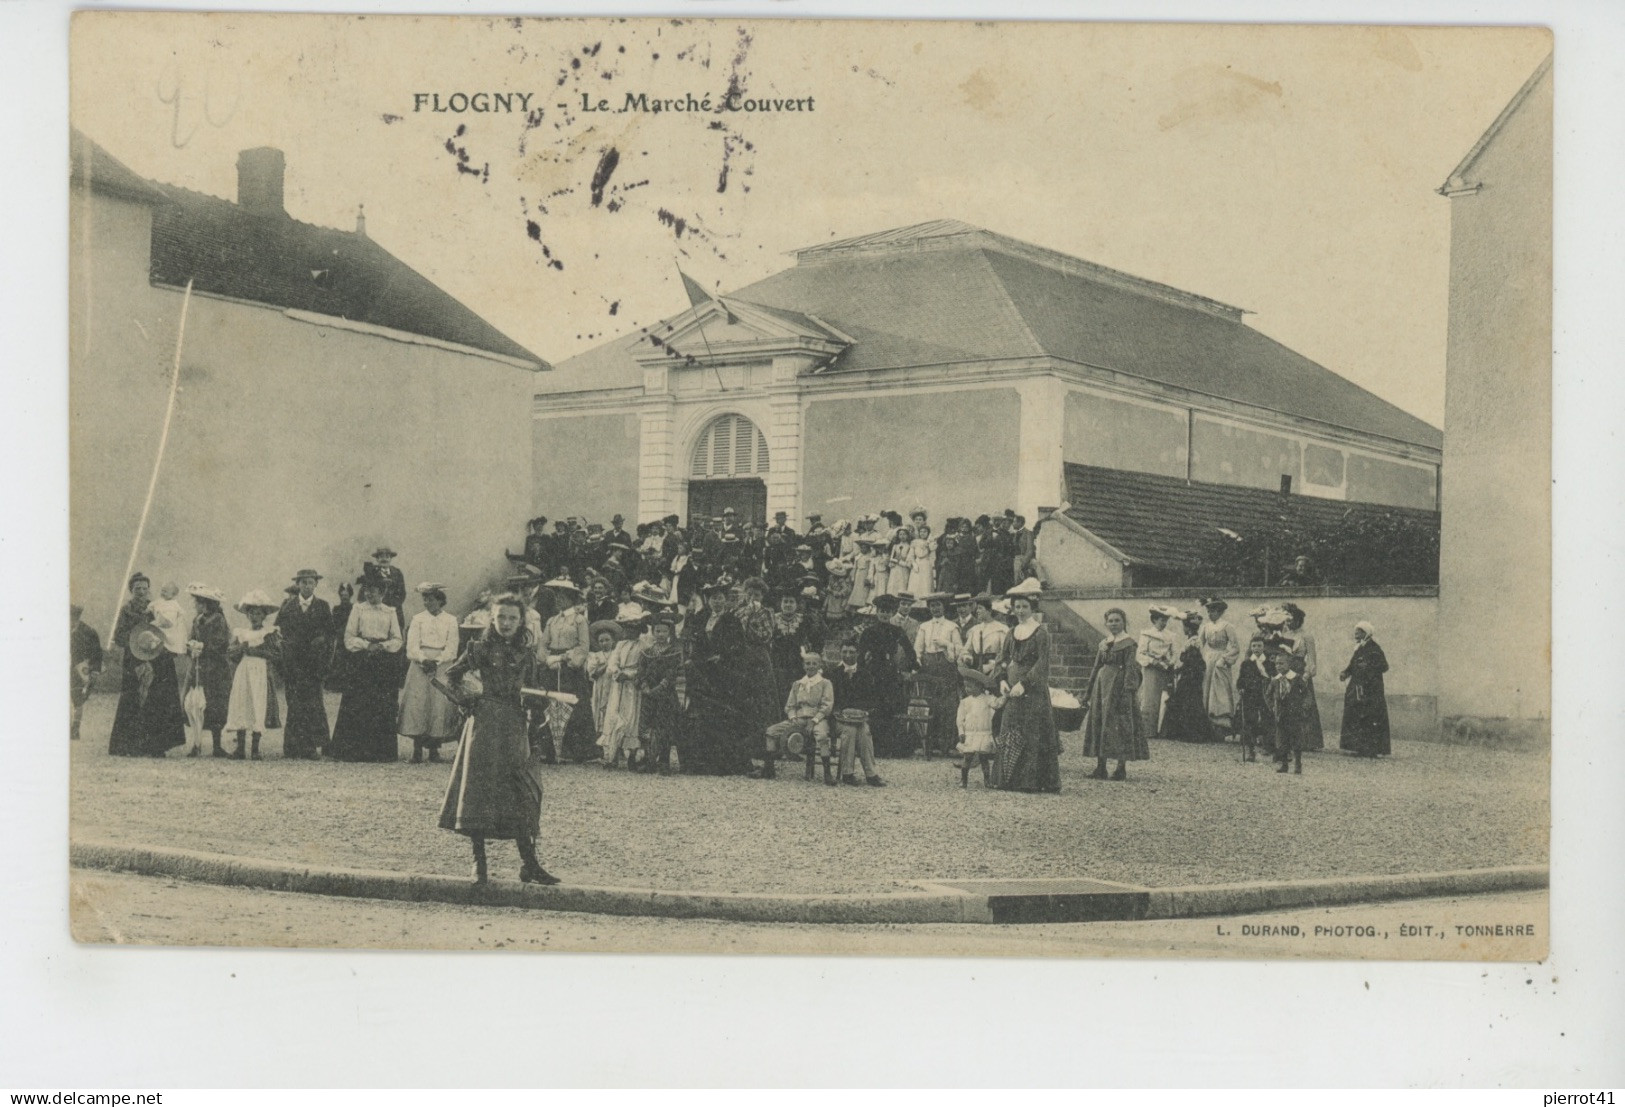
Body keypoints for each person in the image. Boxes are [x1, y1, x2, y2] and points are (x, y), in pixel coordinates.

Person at [438, 593, 558, 886]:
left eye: (512, 618)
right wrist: (469, 699)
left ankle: (529, 863)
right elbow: (452, 676)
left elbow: (532, 689)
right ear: (493, 619)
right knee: (480, 791)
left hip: (515, 726)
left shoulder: (527, 655)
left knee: (520, 791)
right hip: (485, 726)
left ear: (521, 622)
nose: (506, 623)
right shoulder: (478, 648)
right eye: (501, 617)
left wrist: (538, 705)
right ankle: (479, 864)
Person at [108, 573, 187, 758]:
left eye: (145, 588)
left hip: (157, 656)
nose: (142, 592)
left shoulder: (158, 606)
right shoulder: (126, 610)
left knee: (157, 699)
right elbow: (119, 635)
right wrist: (136, 640)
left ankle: (156, 745)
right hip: (134, 658)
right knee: (133, 698)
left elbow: (170, 627)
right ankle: (129, 745)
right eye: (138, 589)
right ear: (131, 591)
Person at [680, 582, 754, 775]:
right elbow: (692, 642)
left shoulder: (732, 620)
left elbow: (739, 647)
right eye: (713, 598)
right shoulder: (700, 618)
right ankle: (700, 762)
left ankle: (724, 764)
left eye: (720, 598)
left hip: (724, 674)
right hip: (703, 671)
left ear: (725, 600)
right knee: (701, 713)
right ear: (708, 600)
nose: (717, 602)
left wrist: (723, 656)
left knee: (723, 714)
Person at [993, 585, 1061, 793]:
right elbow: (1002, 660)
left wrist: (1025, 684)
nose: (1020, 611)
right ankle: (1007, 779)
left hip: (1033, 691)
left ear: (1032, 608)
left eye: (1024, 607)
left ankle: (1031, 781)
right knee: (1010, 729)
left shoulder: (1041, 633)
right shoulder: (1012, 632)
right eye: (1017, 607)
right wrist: (1002, 680)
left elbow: (1042, 664)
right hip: (1012, 690)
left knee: (1032, 731)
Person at [329, 575, 403, 762]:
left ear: (383, 592)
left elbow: (397, 639)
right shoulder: (358, 609)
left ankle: (380, 752)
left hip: (382, 661)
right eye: (367, 590)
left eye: (374, 590)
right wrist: (365, 645)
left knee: (382, 704)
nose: (370, 594)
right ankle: (354, 751)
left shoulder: (390, 611)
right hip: (362, 661)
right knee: (358, 703)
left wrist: (383, 646)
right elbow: (349, 637)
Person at [399, 584, 463, 764]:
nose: (427, 602)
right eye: (425, 599)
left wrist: (438, 661)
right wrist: (423, 660)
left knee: (438, 705)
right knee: (419, 704)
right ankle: (417, 749)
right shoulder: (418, 619)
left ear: (440, 600)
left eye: (431, 599)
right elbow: (411, 646)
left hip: (441, 666)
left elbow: (452, 647)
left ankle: (434, 749)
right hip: (420, 666)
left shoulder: (450, 620)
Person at [1082, 607, 1148, 781]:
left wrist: (1128, 690)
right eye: (1110, 621)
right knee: (1100, 722)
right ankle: (1100, 767)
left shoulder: (1128, 643)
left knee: (1121, 723)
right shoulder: (1104, 643)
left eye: (1117, 620)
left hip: (1119, 688)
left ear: (1124, 622)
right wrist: (1088, 692)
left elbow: (1130, 668)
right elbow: (1096, 666)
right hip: (1101, 686)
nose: (1113, 624)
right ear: (1106, 623)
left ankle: (1121, 768)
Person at [536, 578, 596, 763]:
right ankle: (549, 749)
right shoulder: (552, 621)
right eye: (557, 596)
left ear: (571, 599)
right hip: (552, 667)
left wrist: (564, 658)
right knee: (549, 704)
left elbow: (583, 647)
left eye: (562, 597)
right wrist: (546, 659)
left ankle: (577, 751)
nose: (558, 600)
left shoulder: (579, 620)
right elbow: (542, 644)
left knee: (574, 704)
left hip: (570, 668)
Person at [855, 594, 918, 757]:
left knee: (890, 709)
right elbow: (861, 655)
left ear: (892, 613)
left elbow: (910, 651)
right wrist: (862, 672)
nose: (884, 614)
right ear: (877, 612)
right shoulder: (869, 632)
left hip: (890, 673)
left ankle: (888, 747)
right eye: (882, 611)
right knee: (874, 709)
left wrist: (911, 667)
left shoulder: (897, 630)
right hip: (873, 673)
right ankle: (873, 747)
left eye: (887, 612)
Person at [278, 570, 332, 760]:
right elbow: (280, 634)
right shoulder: (288, 607)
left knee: (313, 703)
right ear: (298, 585)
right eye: (304, 583)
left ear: (315, 585)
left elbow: (330, 636)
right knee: (294, 703)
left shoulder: (323, 607)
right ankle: (292, 746)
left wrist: (324, 659)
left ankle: (312, 746)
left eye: (311, 583)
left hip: (313, 665)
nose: (307, 586)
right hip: (293, 664)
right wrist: (284, 659)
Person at [762, 650, 837, 783]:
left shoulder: (825, 683)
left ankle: (827, 774)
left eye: (814, 663)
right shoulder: (798, 684)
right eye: (808, 663)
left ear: (820, 665)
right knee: (771, 731)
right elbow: (790, 706)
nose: (811, 666)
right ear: (803, 666)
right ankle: (769, 769)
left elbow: (827, 706)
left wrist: (814, 721)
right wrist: (793, 718)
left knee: (822, 736)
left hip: (818, 719)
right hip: (799, 718)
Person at [224, 590, 283, 760]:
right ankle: (240, 748)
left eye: (258, 613)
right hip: (244, 672)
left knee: (258, 704)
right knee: (242, 703)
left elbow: (276, 654)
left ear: (264, 615)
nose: (254, 616)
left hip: (260, 673)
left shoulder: (269, 633)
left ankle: (255, 748)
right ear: (247, 615)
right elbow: (232, 654)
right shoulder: (241, 633)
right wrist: (240, 649)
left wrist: (256, 651)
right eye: (251, 613)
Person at [914, 593, 965, 758]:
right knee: (930, 704)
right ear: (929, 608)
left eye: (938, 605)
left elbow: (960, 649)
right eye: (932, 605)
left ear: (944, 607)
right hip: (929, 668)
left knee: (948, 706)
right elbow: (918, 649)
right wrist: (918, 664)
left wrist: (947, 644)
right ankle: (930, 744)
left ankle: (948, 745)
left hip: (946, 668)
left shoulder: (952, 627)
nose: (935, 608)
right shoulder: (924, 626)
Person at [828, 642, 886, 786]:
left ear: (858, 654)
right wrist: (839, 712)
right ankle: (847, 773)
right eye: (845, 652)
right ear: (840, 653)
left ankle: (871, 774)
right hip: (838, 719)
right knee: (849, 730)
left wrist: (862, 711)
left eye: (852, 652)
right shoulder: (832, 674)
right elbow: (828, 699)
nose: (848, 655)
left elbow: (872, 699)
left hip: (858, 718)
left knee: (864, 730)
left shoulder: (865, 674)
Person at [599, 609, 648, 769]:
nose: (629, 632)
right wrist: (616, 672)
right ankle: (612, 755)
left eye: (633, 629)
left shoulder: (644, 645)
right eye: (627, 628)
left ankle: (632, 755)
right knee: (614, 715)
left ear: (639, 629)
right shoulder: (620, 645)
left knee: (631, 717)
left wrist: (630, 675)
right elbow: (612, 662)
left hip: (633, 687)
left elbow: (643, 667)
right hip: (618, 684)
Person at [637, 613, 683, 774]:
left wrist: (659, 688)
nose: (661, 634)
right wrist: (644, 686)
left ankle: (664, 761)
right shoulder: (647, 652)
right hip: (648, 695)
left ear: (669, 632)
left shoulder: (674, 652)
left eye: (664, 631)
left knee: (665, 727)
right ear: (653, 632)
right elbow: (641, 671)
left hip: (665, 695)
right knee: (647, 727)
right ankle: (649, 759)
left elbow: (672, 674)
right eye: (658, 631)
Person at [1338, 621, 1392, 757]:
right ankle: (1358, 747)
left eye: (1359, 632)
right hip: (1357, 686)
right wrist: (1345, 672)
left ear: (1366, 633)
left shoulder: (1375, 648)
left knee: (1370, 715)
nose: (1356, 634)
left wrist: (1368, 666)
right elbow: (1353, 665)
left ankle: (1372, 749)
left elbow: (1384, 666)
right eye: (1356, 632)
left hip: (1371, 689)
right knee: (1356, 714)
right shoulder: (1359, 648)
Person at [1279, 603, 1326, 752]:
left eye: (1291, 620)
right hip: (1286, 671)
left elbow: (1311, 659)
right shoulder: (1284, 634)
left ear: (1299, 620)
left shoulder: (1306, 636)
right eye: (1286, 621)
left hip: (1300, 671)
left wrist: (1306, 675)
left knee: (1303, 704)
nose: (1288, 623)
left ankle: (1307, 741)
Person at [1159, 612, 1211, 742]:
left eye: (1184, 627)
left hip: (1191, 675)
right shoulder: (1192, 640)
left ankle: (1189, 732)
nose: (1183, 629)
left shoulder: (1193, 641)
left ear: (1188, 628)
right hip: (1190, 673)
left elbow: (1192, 661)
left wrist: (1181, 669)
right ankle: (1186, 732)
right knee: (1188, 699)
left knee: (1189, 699)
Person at [1200, 597, 1241, 742]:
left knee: (1219, 692)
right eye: (1209, 611)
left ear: (1220, 612)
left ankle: (1221, 727)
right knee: (1206, 690)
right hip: (1208, 659)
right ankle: (1207, 727)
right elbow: (1200, 645)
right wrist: (1200, 660)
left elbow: (1236, 647)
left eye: (1213, 611)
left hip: (1221, 661)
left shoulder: (1227, 626)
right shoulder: (1205, 627)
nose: (1210, 614)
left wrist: (1224, 659)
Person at [1135, 605, 1179, 737]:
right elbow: (1140, 654)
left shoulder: (1170, 636)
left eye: (1166, 620)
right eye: (1161, 620)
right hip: (1151, 670)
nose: (1164, 623)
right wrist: (1152, 661)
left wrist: (1170, 662)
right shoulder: (1146, 634)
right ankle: (1148, 729)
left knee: (1164, 696)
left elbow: (1174, 653)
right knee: (1150, 697)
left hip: (1165, 670)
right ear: (1154, 620)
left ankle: (1162, 730)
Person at [955, 670, 1002, 788]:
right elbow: (960, 719)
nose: (967, 689)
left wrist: (1005, 695)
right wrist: (961, 732)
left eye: (970, 686)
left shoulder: (987, 698)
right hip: (970, 735)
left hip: (983, 734)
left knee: (984, 759)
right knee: (967, 758)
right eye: (966, 686)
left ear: (980, 686)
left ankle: (987, 781)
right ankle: (963, 780)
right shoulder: (965, 702)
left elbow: (997, 704)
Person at [149, 582, 192, 708]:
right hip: (160, 626)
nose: (162, 593)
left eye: (166, 592)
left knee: (169, 638)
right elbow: (152, 606)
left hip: (168, 627)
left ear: (173, 595)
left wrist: (160, 621)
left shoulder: (173, 605)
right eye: (162, 590)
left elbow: (171, 620)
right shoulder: (159, 601)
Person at [1268, 651, 1310, 774]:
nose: (1278, 666)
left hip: (1294, 713)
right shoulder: (1275, 680)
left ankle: (1298, 764)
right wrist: (1272, 706)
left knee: (1296, 739)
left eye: (1281, 663)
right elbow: (1268, 695)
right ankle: (1284, 764)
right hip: (1281, 714)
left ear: (1289, 664)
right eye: (1276, 664)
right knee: (1282, 740)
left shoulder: (1296, 678)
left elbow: (1307, 693)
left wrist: (1304, 706)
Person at [1235, 636, 1273, 762]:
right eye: (1254, 646)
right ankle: (1250, 750)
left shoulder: (1269, 663)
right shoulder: (1246, 663)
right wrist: (1240, 687)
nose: (1256, 649)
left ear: (1263, 647)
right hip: (1249, 695)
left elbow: (1272, 677)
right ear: (1251, 648)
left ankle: (1268, 747)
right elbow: (1241, 679)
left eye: (1259, 646)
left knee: (1267, 719)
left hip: (1264, 695)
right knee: (1250, 721)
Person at [70, 604, 103, 743]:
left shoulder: (88, 632)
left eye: (72, 618)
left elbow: (97, 653)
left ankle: (75, 729)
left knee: (78, 699)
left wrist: (95, 670)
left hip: (79, 669)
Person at [585, 621, 620, 746]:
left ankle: (614, 741)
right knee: (600, 710)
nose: (604, 643)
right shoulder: (595, 656)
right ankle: (600, 741)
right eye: (601, 641)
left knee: (613, 709)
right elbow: (593, 674)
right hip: (600, 686)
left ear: (613, 641)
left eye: (607, 640)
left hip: (613, 686)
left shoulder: (617, 653)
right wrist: (606, 665)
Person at [367, 546, 407, 631]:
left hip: (395, 611)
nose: (384, 559)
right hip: (378, 611)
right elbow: (369, 593)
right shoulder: (371, 574)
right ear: (377, 559)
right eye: (381, 557)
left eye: (387, 557)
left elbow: (402, 594)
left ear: (390, 559)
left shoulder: (397, 573)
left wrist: (393, 606)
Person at [325, 582, 355, 693]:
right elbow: (333, 623)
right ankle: (337, 685)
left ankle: (350, 684)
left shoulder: (354, 608)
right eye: (342, 596)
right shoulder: (336, 609)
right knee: (339, 659)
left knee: (351, 660)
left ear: (350, 596)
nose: (344, 598)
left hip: (351, 636)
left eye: (346, 596)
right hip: (340, 637)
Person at [886, 527, 914, 597]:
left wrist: (899, 561)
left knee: (902, 585)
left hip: (903, 570)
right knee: (893, 585)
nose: (902, 536)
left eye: (904, 534)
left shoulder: (909, 547)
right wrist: (893, 562)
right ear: (898, 536)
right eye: (900, 534)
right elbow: (891, 558)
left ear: (907, 536)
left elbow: (909, 562)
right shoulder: (895, 546)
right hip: (894, 569)